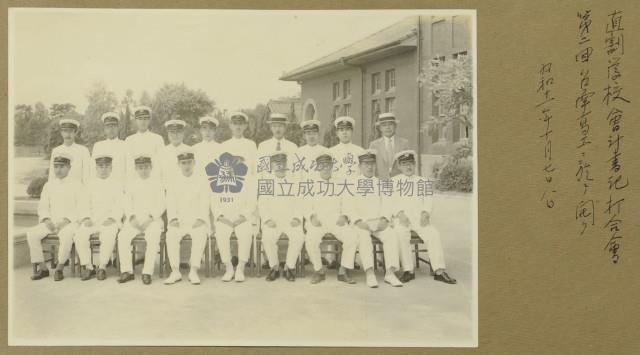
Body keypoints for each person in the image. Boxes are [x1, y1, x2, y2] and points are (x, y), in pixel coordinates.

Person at [391, 150, 457, 285]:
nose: (408, 167)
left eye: (410, 163)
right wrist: (399, 214)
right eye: (404, 164)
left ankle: (439, 270)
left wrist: (426, 213)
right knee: (400, 234)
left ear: (414, 164)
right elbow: (390, 202)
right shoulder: (393, 182)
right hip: (402, 219)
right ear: (399, 166)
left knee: (433, 234)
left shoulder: (423, 181)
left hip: (419, 219)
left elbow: (428, 201)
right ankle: (408, 270)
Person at [213, 112, 257, 282]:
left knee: (245, 232)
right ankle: (229, 268)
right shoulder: (223, 146)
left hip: (242, 215)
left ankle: (240, 268)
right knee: (221, 232)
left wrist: (243, 217)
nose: (238, 126)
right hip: (226, 216)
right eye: (234, 123)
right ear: (230, 126)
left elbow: (251, 201)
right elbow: (216, 201)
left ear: (245, 126)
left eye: (241, 123)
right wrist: (221, 217)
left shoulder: (251, 145)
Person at [350, 149, 403, 288]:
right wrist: (357, 221)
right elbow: (349, 207)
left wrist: (384, 219)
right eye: (366, 164)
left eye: (372, 163)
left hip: (379, 222)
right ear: (360, 166)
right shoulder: (352, 184)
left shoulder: (381, 183)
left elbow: (388, 203)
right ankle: (370, 273)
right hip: (362, 223)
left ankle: (390, 273)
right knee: (363, 237)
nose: (369, 167)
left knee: (391, 235)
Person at [27, 152, 84, 281]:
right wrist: (46, 219)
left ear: (69, 167)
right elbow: (43, 206)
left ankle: (60, 267)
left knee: (66, 235)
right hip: (51, 222)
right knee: (32, 233)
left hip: (69, 222)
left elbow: (80, 208)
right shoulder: (49, 185)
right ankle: (43, 268)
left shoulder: (77, 185)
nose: (58, 170)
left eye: (62, 166)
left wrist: (65, 221)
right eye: (56, 166)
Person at [303, 152, 354, 284]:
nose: (325, 169)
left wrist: (344, 216)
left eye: (328, 166)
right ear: (318, 167)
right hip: (318, 220)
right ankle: (319, 271)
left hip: (336, 219)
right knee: (310, 239)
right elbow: (305, 205)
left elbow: (347, 202)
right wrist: (312, 217)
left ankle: (343, 271)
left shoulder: (340, 183)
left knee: (352, 237)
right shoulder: (311, 184)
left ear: (332, 167)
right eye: (322, 166)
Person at [74, 153, 124, 281]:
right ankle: (88, 266)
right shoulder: (89, 185)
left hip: (109, 220)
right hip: (92, 220)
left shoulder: (117, 185)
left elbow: (120, 204)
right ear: (96, 168)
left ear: (111, 168)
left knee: (108, 236)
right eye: (100, 166)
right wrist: (86, 218)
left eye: (106, 166)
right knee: (79, 235)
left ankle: (102, 267)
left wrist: (112, 218)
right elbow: (83, 204)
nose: (103, 169)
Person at [164, 149, 210, 285]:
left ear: (194, 162)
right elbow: (170, 202)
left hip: (196, 220)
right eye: (183, 163)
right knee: (171, 235)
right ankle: (175, 271)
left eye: (189, 162)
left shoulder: (202, 180)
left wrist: (201, 218)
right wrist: (173, 219)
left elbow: (205, 201)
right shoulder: (173, 181)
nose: (187, 166)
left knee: (200, 234)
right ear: (179, 164)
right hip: (179, 221)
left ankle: (193, 270)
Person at [117, 154, 165, 285]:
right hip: (135, 220)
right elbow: (126, 202)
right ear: (136, 169)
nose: (143, 170)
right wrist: (132, 217)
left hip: (152, 220)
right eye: (140, 167)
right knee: (122, 237)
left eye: (146, 167)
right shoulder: (131, 184)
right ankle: (127, 271)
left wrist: (150, 218)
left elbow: (161, 204)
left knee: (153, 237)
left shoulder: (157, 184)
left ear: (151, 167)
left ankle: (147, 272)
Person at [258, 151, 304, 282]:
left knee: (298, 237)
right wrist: (267, 219)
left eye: (282, 163)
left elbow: (300, 202)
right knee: (267, 238)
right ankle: (275, 268)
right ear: (272, 166)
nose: (280, 166)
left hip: (291, 220)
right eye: (276, 164)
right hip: (273, 220)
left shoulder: (294, 182)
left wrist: (296, 218)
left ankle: (289, 267)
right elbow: (262, 204)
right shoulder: (267, 182)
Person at [124, 106, 164, 182]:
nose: (143, 122)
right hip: (135, 182)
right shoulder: (129, 140)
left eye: (145, 119)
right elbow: (129, 165)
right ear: (135, 120)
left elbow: (160, 164)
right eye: (140, 119)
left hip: (153, 181)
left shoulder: (158, 139)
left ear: (149, 120)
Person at [48, 118, 91, 184]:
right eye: (65, 131)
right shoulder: (56, 151)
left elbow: (87, 176)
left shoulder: (83, 151)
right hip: (60, 189)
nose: (68, 134)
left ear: (75, 133)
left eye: (70, 131)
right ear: (61, 133)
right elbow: (52, 176)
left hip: (78, 190)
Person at [368, 112, 410, 179]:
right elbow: (370, 166)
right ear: (380, 128)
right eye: (384, 125)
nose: (388, 127)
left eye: (390, 124)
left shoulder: (404, 143)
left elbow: (409, 164)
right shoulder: (374, 145)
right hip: (381, 182)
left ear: (395, 126)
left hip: (400, 182)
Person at [91, 112, 126, 184]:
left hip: (120, 185)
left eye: (113, 126)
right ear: (104, 129)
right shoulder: (98, 146)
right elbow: (93, 170)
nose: (111, 129)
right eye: (108, 126)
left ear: (118, 127)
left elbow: (129, 168)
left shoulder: (125, 145)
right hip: (102, 186)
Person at [159, 119, 190, 187]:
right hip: (167, 190)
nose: (175, 135)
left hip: (185, 189)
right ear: (168, 134)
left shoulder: (190, 151)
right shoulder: (162, 152)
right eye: (172, 132)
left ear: (183, 133)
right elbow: (159, 175)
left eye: (178, 132)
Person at [193, 115, 222, 181]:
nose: (207, 131)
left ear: (215, 131)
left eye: (211, 128)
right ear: (200, 130)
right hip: (199, 182)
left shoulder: (221, 148)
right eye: (204, 128)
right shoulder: (194, 149)